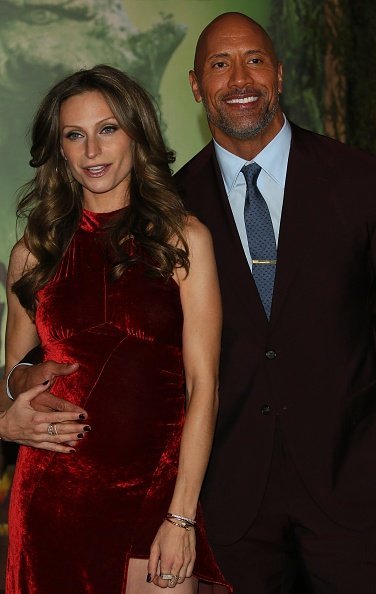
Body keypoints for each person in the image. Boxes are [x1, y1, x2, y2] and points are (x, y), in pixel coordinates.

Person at [173, 12, 376, 594]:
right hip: (228, 502)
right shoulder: (170, 205)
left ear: (280, 74)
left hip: (357, 488)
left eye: (255, 60)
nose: (240, 78)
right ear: (196, 85)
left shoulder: (362, 180)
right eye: (220, 64)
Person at [4, 64, 229, 594]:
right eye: (74, 136)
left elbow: (204, 387)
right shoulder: (32, 253)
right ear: (60, 149)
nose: (92, 151)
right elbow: (11, 374)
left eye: (108, 129)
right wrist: (5, 421)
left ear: (137, 134)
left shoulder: (183, 240)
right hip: (50, 497)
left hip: (153, 494)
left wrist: (181, 517)